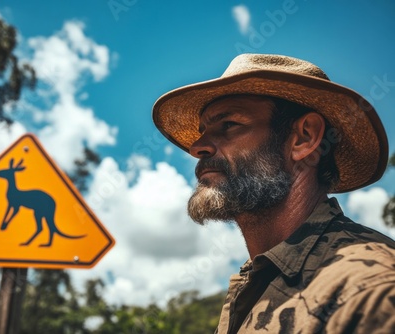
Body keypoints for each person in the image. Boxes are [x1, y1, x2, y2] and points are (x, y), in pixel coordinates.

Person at [152, 53, 395, 333]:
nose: (198, 147)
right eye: (203, 130)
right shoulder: (252, 283)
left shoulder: (371, 292)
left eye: (228, 124)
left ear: (304, 138)